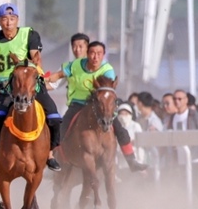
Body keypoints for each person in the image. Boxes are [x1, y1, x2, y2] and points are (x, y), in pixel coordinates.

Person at [0, 3, 62, 176]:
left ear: (17, 20)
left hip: (31, 84)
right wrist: (0, 78)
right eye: (4, 19)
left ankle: (50, 154)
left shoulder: (29, 34)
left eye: (12, 19)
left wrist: (34, 72)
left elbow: (35, 57)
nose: (9, 23)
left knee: (54, 116)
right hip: (8, 87)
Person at [46, 36, 147, 172]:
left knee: (120, 130)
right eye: (92, 53)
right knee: (61, 129)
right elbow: (57, 77)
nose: (95, 57)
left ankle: (132, 161)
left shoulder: (107, 70)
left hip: (100, 107)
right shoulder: (75, 65)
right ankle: (55, 160)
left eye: (99, 54)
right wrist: (44, 79)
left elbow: (107, 91)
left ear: (103, 55)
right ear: (88, 54)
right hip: (77, 105)